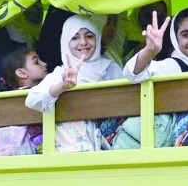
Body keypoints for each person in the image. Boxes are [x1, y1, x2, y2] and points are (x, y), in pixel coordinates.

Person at [25, 14, 124, 152]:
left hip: (114, 149)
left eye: (89, 36)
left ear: (97, 37)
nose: (83, 42)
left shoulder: (111, 68)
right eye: (75, 38)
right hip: (74, 152)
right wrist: (62, 86)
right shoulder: (61, 73)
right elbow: (32, 100)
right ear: (66, 42)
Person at [0, 46, 45, 157]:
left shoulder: (5, 100)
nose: (44, 64)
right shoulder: (42, 93)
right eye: (36, 62)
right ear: (21, 73)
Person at [125, 7, 188, 81]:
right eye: (185, 35)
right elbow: (131, 74)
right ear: (176, 39)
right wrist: (149, 51)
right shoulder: (172, 66)